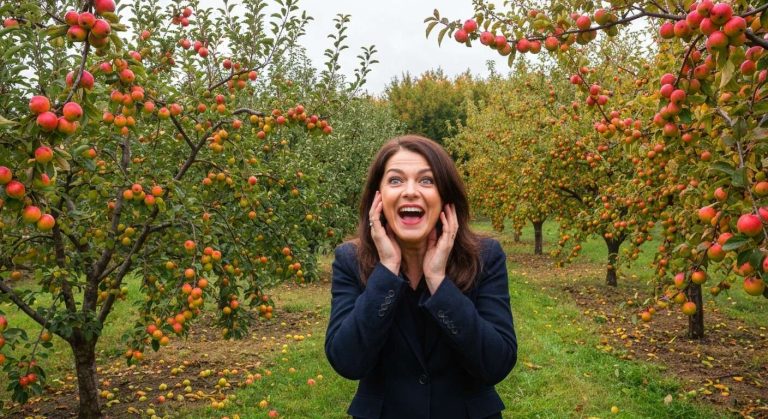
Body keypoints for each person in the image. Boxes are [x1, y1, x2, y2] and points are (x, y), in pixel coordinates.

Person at [325, 135, 517, 419]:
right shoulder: (350, 260)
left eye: (427, 180)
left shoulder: (484, 257)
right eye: (395, 180)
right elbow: (347, 361)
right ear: (378, 198)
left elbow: (496, 363)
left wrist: (438, 281)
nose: (410, 192)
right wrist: (387, 270)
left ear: (446, 197)